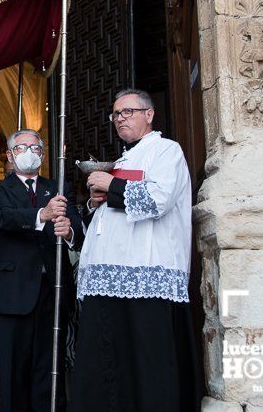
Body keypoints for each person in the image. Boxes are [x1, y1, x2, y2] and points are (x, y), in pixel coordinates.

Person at [71, 89, 201, 411]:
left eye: (128, 111)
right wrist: (95, 200)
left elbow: (158, 200)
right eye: (116, 114)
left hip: (145, 276)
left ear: (149, 114)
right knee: (107, 359)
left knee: (145, 360)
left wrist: (110, 184)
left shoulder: (165, 150)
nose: (120, 119)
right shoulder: (125, 158)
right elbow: (109, 217)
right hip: (108, 275)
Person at [0, 128, 83, 411]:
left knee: (50, 369)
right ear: (10, 155)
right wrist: (43, 215)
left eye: (35, 148)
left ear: (42, 154)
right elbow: (3, 218)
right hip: (12, 293)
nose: (29, 153)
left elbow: (77, 228)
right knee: (13, 371)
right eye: (21, 147)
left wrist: (69, 231)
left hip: (52, 291)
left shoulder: (58, 189)